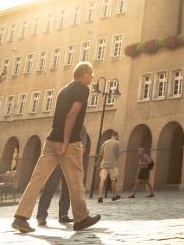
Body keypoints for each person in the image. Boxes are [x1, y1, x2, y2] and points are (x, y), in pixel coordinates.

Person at [11, 62, 100, 233]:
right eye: (90, 73)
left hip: (51, 139)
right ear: (82, 74)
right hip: (69, 142)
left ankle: (20, 218)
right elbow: (70, 116)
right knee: (75, 181)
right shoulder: (82, 89)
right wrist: (66, 142)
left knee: (37, 179)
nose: (92, 76)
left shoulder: (63, 90)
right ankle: (81, 218)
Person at [36, 126, 89, 225]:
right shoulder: (62, 124)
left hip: (70, 164)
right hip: (56, 163)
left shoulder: (81, 128)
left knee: (67, 191)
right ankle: (41, 215)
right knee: (49, 189)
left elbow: (83, 148)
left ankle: (63, 214)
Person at [97, 130, 121, 202]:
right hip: (112, 164)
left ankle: (100, 197)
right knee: (113, 180)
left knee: (102, 180)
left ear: (111, 136)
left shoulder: (105, 142)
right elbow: (119, 153)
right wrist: (115, 154)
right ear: (116, 136)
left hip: (104, 163)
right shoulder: (117, 142)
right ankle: (113, 196)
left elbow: (101, 153)